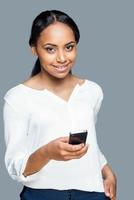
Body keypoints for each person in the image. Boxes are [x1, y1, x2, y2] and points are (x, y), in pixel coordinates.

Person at [3, 10, 117, 200]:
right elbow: (15, 167)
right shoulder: (17, 98)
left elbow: (91, 145)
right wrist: (47, 152)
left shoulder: (92, 91)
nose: (62, 58)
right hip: (42, 195)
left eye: (69, 47)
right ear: (34, 49)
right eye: (50, 49)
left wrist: (107, 172)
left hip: (93, 193)